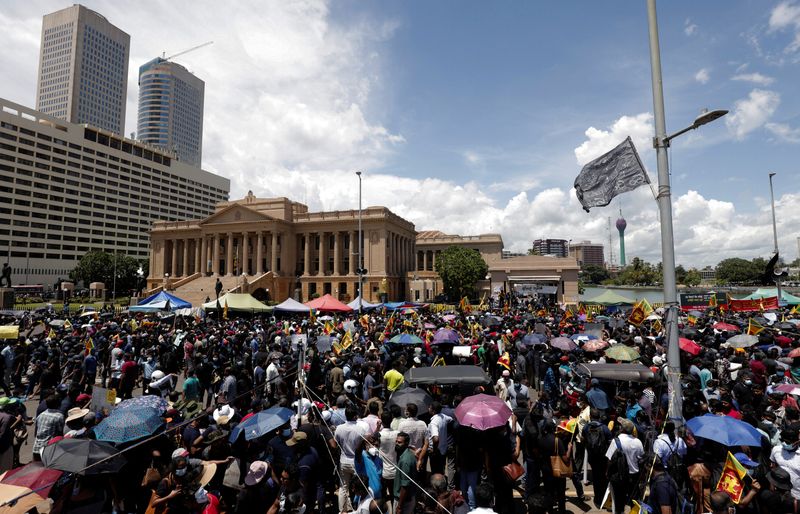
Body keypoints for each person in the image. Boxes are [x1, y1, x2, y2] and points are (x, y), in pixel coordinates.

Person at [335, 404, 370, 512]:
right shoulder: (360, 429)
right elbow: (365, 446)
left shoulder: (339, 428)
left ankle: (343, 510)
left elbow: (337, 444)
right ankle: (357, 509)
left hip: (344, 460)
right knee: (359, 486)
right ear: (355, 416)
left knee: (343, 487)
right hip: (357, 462)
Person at [605, 418, 643, 514]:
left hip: (619, 476)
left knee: (618, 501)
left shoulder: (616, 441)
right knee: (634, 501)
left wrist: (607, 472)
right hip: (634, 476)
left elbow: (610, 459)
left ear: (622, 429)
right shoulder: (638, 442)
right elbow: (641, 458)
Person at [32, 395, 64, 460]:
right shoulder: (59, 416)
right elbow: (61, 432)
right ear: (58, 404)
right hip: (48, 449)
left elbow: (36, 430)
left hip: (36, 448)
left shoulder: (41, 415)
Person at [394, 432, 418, 514]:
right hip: (408, 498)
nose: (397, 444)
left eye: (400, 442)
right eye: (396, 441)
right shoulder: (407, 454)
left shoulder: (405, 461)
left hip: (404, 501)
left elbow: (405, 486)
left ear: (406, 443)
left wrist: (399, 507)